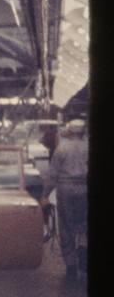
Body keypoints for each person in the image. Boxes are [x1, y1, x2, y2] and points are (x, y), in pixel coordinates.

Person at [42, 119, 87, 281]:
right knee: (85, 223)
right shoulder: (89, 148)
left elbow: (52, 175)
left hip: (65, 189)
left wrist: (45, 195)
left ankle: (71, 265)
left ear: (69, 131)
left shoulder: (61, 149)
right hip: (85, 188)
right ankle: (83, 254)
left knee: (66, 225)